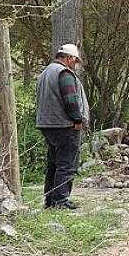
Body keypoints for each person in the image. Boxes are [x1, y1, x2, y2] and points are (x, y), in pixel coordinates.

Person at [35, 43, 89, 210]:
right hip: (64, 125)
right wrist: (78, 120)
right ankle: (60, 201)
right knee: (66, 164)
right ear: (69, 58)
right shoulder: (64, 73)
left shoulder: (46, 72)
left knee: (53, 164)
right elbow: (71, 99)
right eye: (75, 60)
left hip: (47, 124)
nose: (75, 64)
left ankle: (50, 200)